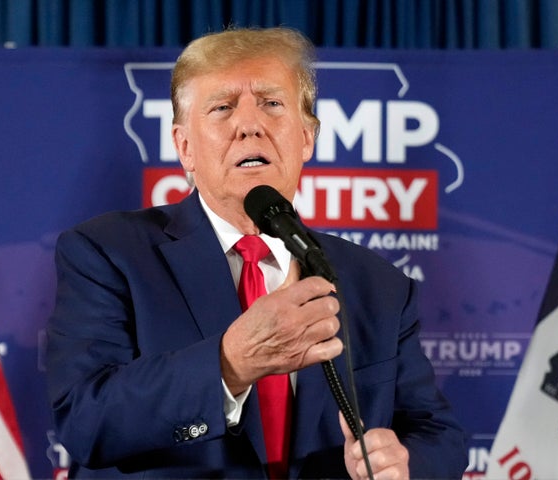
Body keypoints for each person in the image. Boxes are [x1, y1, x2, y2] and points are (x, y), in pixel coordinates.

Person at [46, 26, 468, 479]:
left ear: (307, 138)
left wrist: (406, 465)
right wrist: (229, 365)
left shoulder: (379, 285)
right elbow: (85, 421)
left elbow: (435, 432)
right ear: (184, 146)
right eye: (223, 108)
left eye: (271, 103)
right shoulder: (108, 254)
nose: (250, 125)